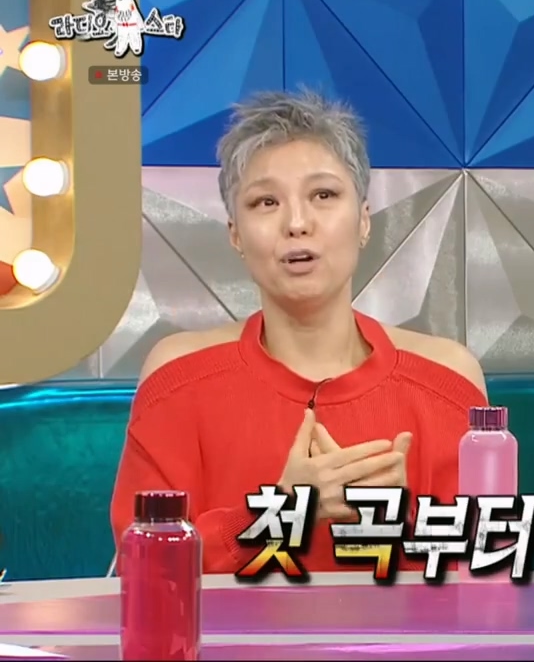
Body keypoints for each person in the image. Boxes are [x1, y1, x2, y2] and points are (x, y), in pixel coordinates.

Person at [109, 90, 488, 574]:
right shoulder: (178, 376)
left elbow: (488, 570)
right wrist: (280, 513)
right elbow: (145, 567)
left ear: (364, 220)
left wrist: (399, 517)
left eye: (323, 195)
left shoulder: (448, 379)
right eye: (266, 201)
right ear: (235, 234)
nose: (297, 223)